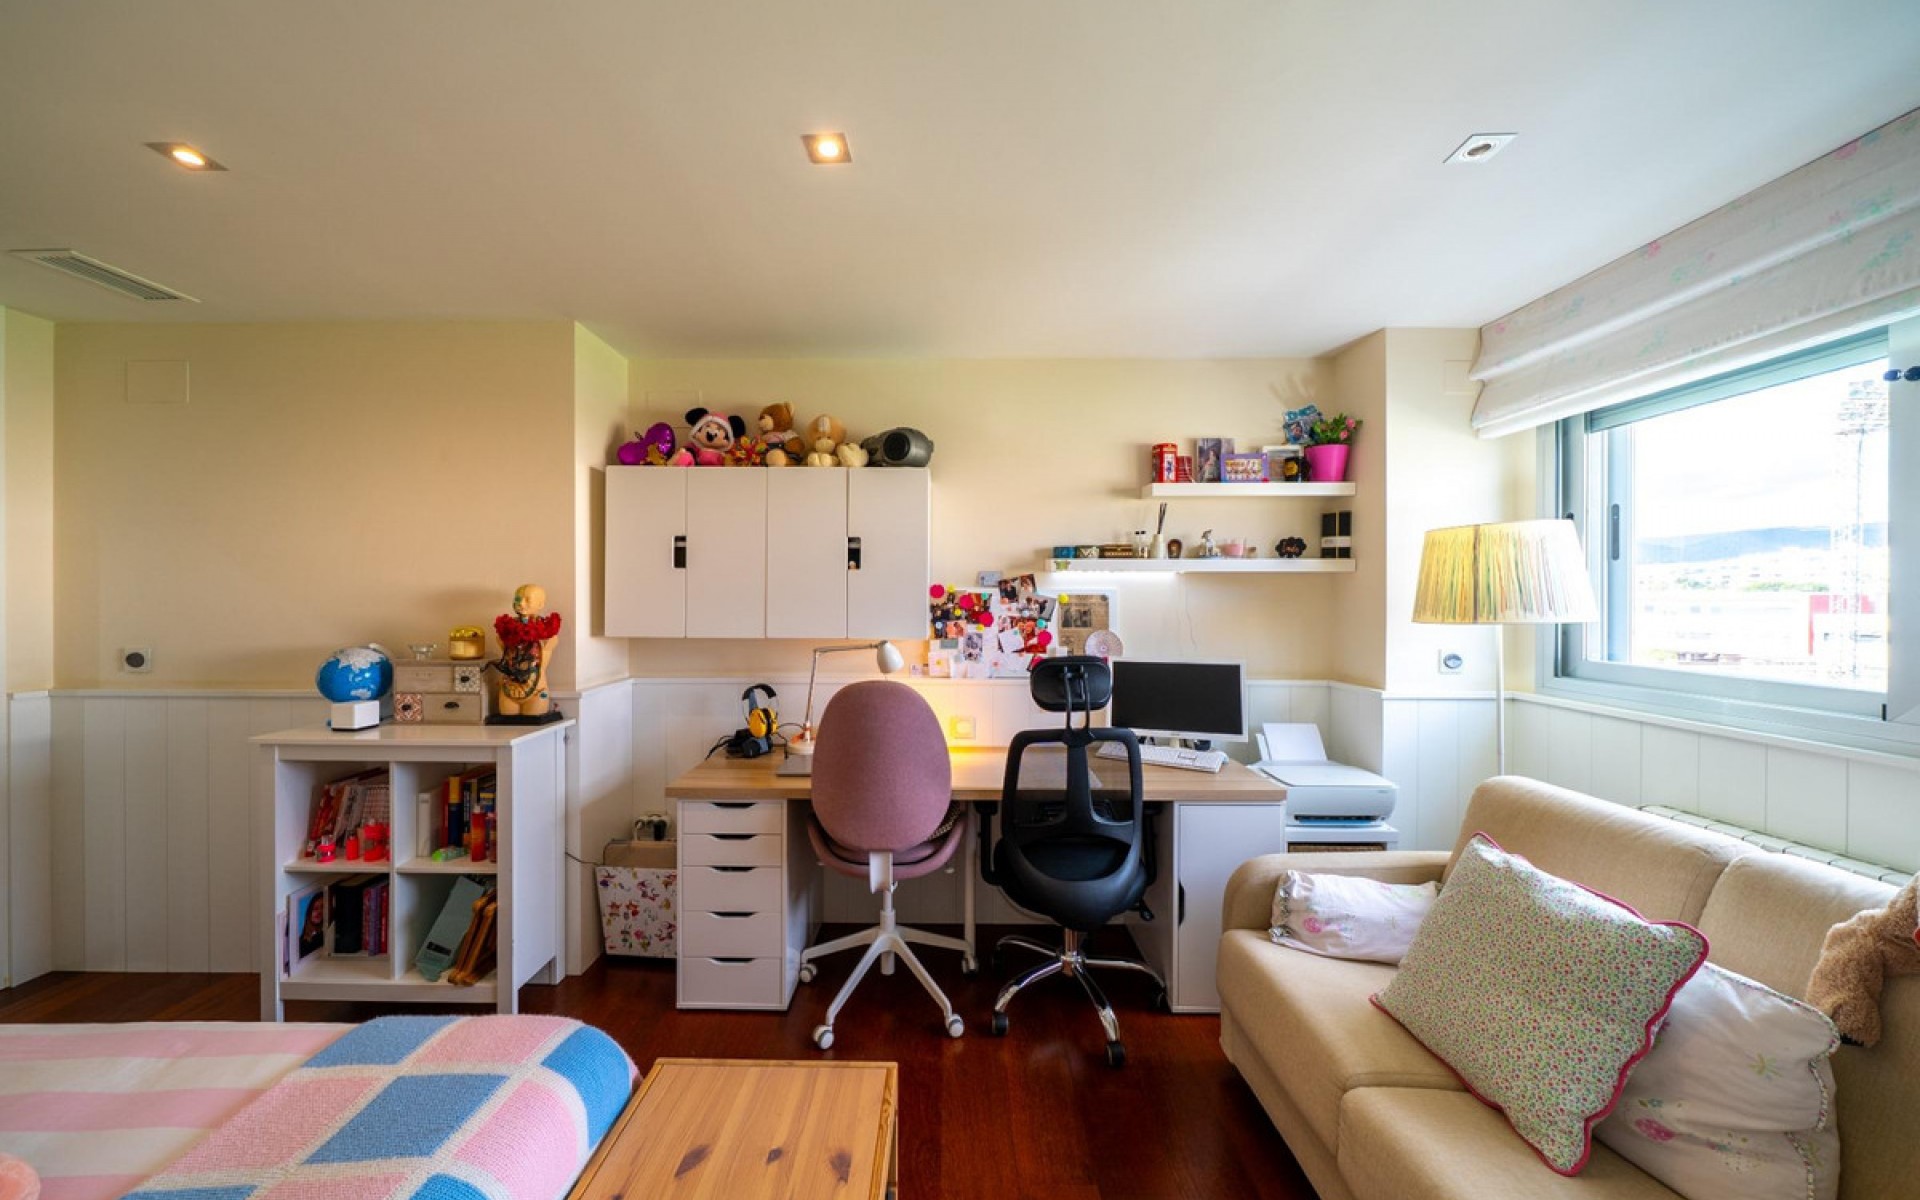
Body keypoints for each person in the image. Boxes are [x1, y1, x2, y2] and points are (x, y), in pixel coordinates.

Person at [494, 583, 562, 717]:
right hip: (508, 690)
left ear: (540, 604)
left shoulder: (547, 635)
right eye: (518, 599)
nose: (521, 603)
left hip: (536, 691)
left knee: (532, 725)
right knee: (507, 726)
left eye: (527, 600)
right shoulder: (505, 633)